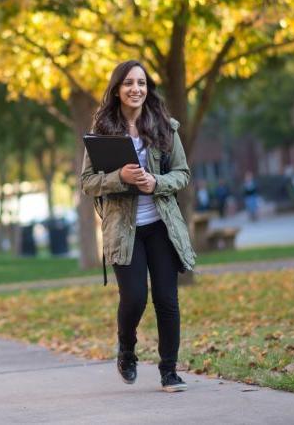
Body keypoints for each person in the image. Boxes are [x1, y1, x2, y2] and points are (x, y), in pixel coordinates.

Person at [80, 60, 195, 393]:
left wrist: (154, 182)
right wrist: (121, 177)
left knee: (167, 300)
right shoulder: (102, 131)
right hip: (124, 230)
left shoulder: (164, 127)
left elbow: (183, 174)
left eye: (141, 83)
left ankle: (169, 371)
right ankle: (126, 349)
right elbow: (87, 182)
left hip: (161, 226)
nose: (136, 89)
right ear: (117, 89)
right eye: (128, 83)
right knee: (133, 298)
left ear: (148, 89)